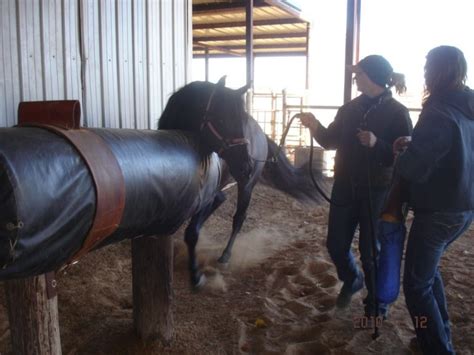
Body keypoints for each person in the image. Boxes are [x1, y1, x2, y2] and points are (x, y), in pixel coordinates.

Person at [296, 55, 413, 318]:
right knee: (336, 244)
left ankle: (376, 302)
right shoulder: (349, 109)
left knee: (372, 252)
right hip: (345, 185)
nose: (355, 77)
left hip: (379, 190)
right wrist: (315, 125)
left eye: (359, 73)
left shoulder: (398, 113)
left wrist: (377, 144)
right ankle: (352, 279)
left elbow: (407, 154)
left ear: (372, 76)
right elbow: (329, 140)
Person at [394, 45, 474, 354]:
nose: (424, 74)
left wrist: (401, 151)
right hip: (464, 208)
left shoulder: (438, 110)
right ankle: (438, 335)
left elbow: (415, 167)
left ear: (435, 71)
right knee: (427, 276)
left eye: (427, 68)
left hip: (438, 211)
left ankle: (438, 347)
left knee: (415, 287)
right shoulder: (466, 106)